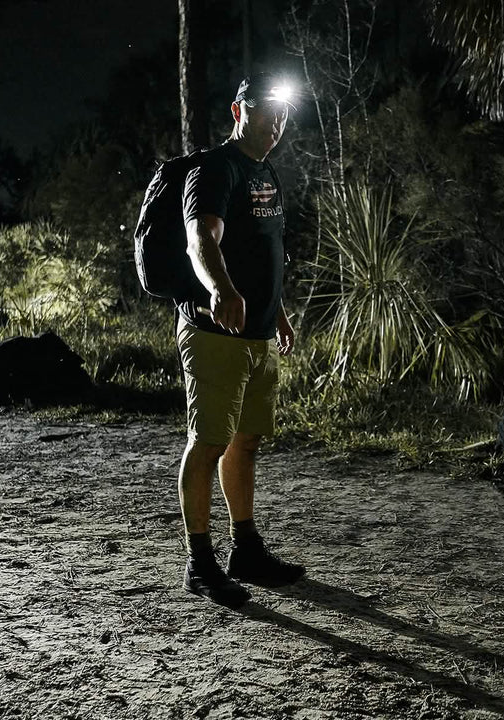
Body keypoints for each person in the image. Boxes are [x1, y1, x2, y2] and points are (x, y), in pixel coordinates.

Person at [176, 73, 306, 609]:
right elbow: (200, 238)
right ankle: (199, 561)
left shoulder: (266, 170)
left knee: (245, 442)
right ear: (238, 111)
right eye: (265, 112)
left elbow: (264, 248)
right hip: (216, 332)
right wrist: (222, 289)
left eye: (283, 115)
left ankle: (245, 549)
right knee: (208, 443)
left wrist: (278, 312)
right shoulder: (215, 169)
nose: (276, 124)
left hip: (257, 333)